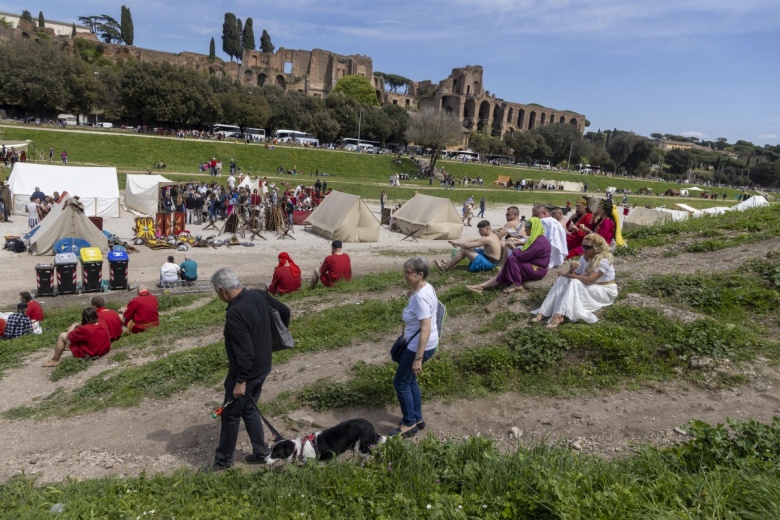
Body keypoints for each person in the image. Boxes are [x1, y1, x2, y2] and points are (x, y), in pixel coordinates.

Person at [204, 268, 290, 471]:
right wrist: (269, 340)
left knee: (230, 413)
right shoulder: (258, 294)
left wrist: (240, 381)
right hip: (263, 365)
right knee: (249, 407)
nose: (219, 297)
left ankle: (223, 460)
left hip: (246, 371)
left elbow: (244, 352)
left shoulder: (234, 312)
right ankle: (261, 452)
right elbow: (284, 312)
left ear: (222, 290)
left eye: (218, 293)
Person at [391, 257, 439, 438]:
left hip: (419, 346)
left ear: (420, 275)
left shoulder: (420, 297)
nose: (405, 276)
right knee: (410, 381)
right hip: (426, 343)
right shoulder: (426, 288)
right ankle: (417, 418)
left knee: (401, 382)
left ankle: (409, 423)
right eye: (404, 272)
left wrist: (418, 359)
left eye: (408, 273)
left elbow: (425, 328)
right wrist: (413, 294)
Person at [531, 233, 618, 329]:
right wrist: (571, 270)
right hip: (590, 286)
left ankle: (559, 315)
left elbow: (589, 280)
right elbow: (575, 275)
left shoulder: (604, 260)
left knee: (574, 281)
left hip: (604, 290)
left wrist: (569, 274)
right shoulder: (584, 257)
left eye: (588, 247)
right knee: (563, 280)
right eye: (583, 246)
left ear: (596, 248)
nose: (584, 249)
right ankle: (544, 311)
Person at [467, 217, 551, 294]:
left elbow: (523, 256)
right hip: (533, 267)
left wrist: (513, 248)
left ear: (533, 229)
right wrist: (521, 242)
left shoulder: (539, 242)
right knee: (510, 264)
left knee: (512, 259)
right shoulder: (538, 238)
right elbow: (529, 245)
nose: (525, 230)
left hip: (538, 269)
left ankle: (516, 284)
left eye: (527, 228)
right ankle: (481, 286)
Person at [43, 308, 111, 367]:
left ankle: (55, 360)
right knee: (82, 338)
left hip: (91, 354)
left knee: (62, 335)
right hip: (104, 350)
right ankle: (65, 348)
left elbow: (68, 336)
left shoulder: (85, 329)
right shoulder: (102, 322)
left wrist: (73, 326)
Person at [435, 220, 502, 273]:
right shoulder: (493, 235)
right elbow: (476, 240)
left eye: (481, 230)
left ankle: (446, 268)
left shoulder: (488, 239)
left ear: (487, 228)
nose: (479, 232)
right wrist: (464, 243)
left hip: (490, 264)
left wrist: (455, 244)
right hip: (490, 260)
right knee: (470, 248)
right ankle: (450, 263)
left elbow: (467, 245)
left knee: (464, 249)